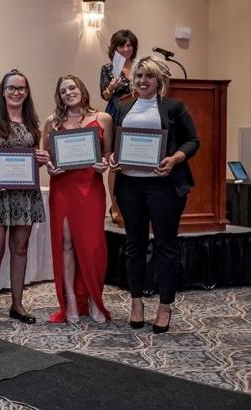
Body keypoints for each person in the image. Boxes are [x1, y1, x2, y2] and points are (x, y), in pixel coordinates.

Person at [109, 56, 200, 334]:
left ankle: (165, 305)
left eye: (148, 76)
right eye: (138, 76)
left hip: (164, 186)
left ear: (159, 80)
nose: (142, 81)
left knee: (165, 246)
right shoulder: (123, 107)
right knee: (134, 245)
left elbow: (193, 140)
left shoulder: (174, 106)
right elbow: (117, 143)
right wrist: (114, 157)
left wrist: (175, 158)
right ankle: (136, 302)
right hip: (130, 186)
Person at [0, 69, 49, 327]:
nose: (16, 92)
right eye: (11, 88)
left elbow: (31, 160)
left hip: (24, 194)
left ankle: (17, 304)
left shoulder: (31, 121)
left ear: (27, 93)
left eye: (21, 88)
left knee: (20, 249)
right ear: (3, 92)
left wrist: (39, 161)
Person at [43, 75, 113, 324]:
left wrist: (104, 164)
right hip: (63, 187)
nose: (68, 93)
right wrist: (50, 167)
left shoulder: (103, 118)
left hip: (90, 188)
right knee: (67, 244)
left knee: (92, 246)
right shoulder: (53, 122)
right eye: (63, 91)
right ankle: (71, 298)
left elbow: (107, 154)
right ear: (59, 96)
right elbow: (47, 157)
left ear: (82, 89)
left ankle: (94, 297)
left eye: (72, 87)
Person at [100, 29, 138, 118]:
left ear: (134, 47)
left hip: (138, 110)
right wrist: (111, 88)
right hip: (117, 112)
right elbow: (105, 96)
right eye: (121, 46)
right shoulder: (108, 68)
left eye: (129, 45)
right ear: (115, 48)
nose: (126, 49)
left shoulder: (140, 66)